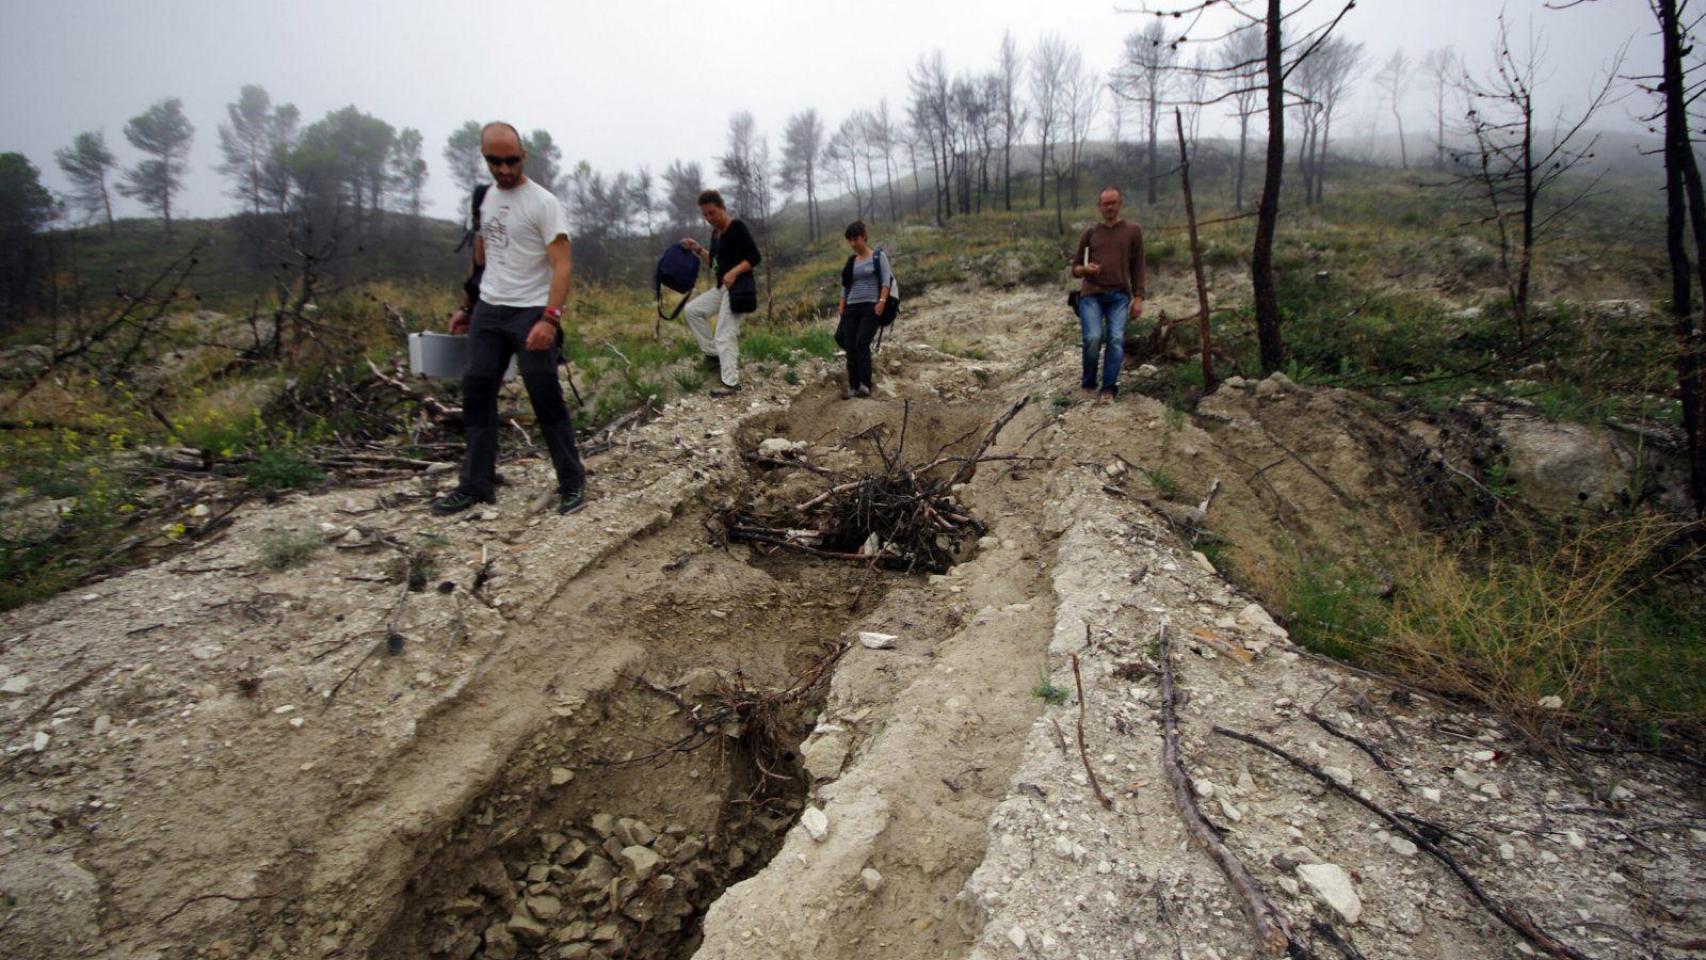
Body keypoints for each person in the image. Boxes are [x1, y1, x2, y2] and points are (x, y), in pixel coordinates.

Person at [432, 121, 588, 516]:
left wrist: (550, 319)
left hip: (531, 311)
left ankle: (572, 483)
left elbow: (563, 264)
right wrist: (468, 306)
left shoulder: (543, 203)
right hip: (489, 308)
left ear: (524, 156)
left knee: (545, 395)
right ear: (485, 159)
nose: (503, 169)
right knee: (477, 392)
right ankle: (476, 484)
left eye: (511, 160)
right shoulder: (483, 199)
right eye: (494, 161)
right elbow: (482, 255)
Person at [679, 190, 761, 395]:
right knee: (692, 311)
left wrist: (734, 272)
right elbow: (715, 265)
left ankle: (731, 383)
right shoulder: (715, 234)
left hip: (739, 288)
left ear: (722, 208)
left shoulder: (737, 228)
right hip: (722, 287)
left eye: (712, 213)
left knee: (724, 333)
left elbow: (755, 256)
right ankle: (714, 355)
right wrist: (698, 250)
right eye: (705, 215)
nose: (709, 218)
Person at [1070, 186, 1147, 403]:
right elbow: (1075, 269)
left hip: (1119, 296)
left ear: (1120, 204)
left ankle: (1109, 389)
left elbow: (1139, 267)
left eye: (1113, 202)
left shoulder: (1133, 231)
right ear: (1099, 206)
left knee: (1115, 339)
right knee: (1093, 338)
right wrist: (1085, 270)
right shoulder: (1090, 233)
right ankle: (1088, 383)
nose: (1110, 207)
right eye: (1106, 203)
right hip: (1091, 295)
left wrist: (1139, 298)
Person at [834, 220, 892, 399]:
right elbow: (845, 286)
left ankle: (865, 384)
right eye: (850, 240)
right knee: (850, 346)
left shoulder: (878, 257)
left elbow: (885, 281)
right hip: (851, 307)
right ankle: (853, 385)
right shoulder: (851, 262)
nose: (853, 243)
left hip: (870, 306)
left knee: (861, 343)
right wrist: (842, 306)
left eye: (855, 238)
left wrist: (881, 301)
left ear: (864, 237)